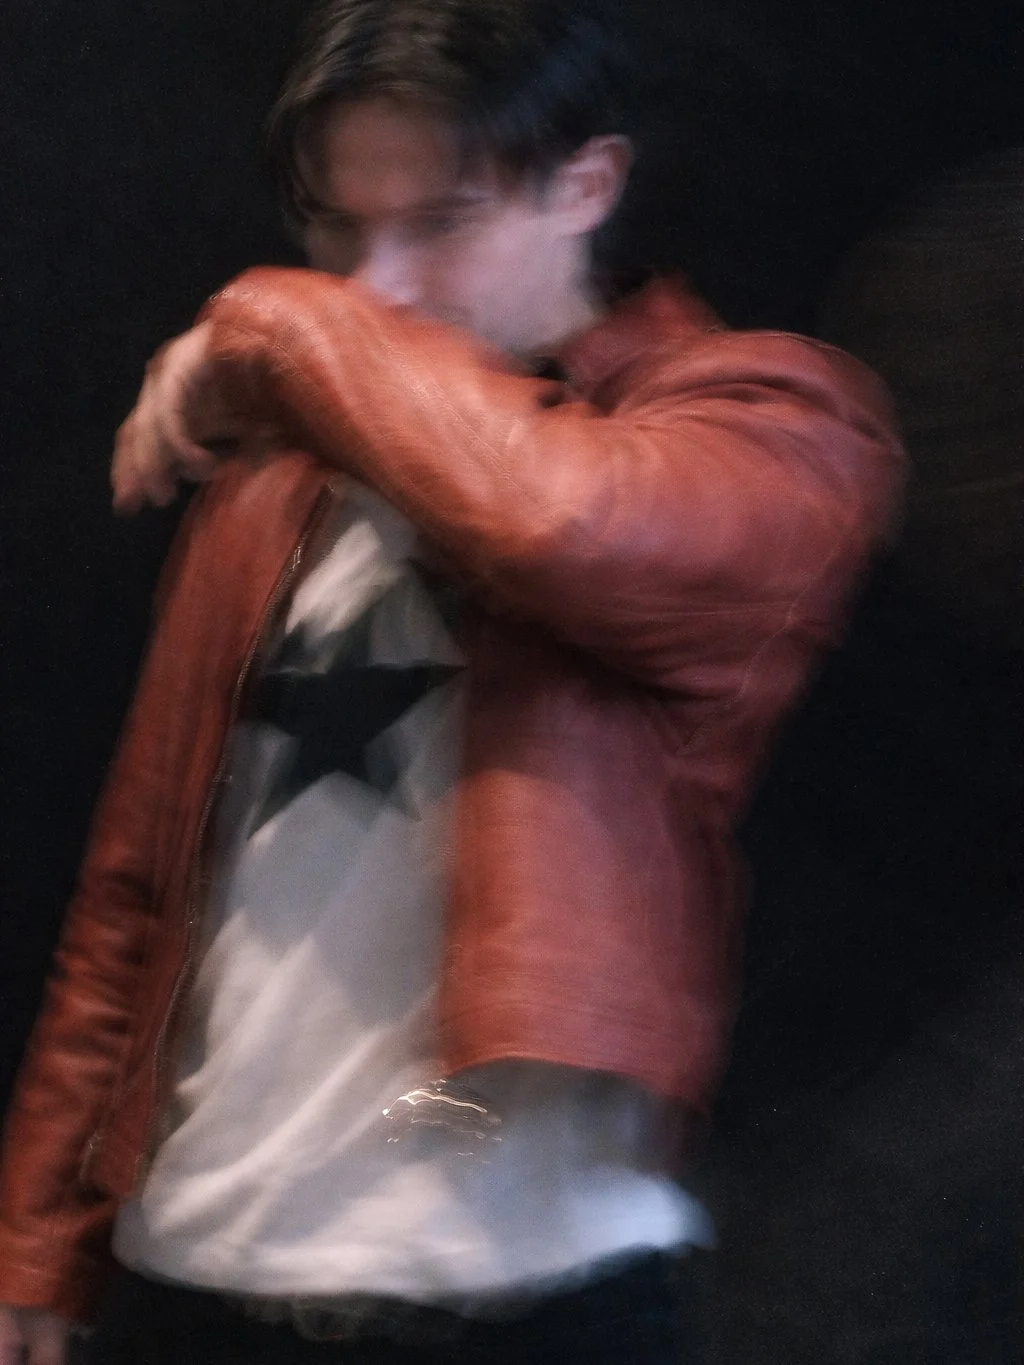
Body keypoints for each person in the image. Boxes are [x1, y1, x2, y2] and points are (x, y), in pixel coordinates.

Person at [0, 1, 903, 1361]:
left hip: (532, 1297)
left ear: (586, 185)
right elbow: (138, 890)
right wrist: (37, 1240)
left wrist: (266, 318)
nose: (376, 287)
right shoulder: (268, 491)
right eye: (332, 230)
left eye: (439, 223)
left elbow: (558, 522)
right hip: (199, 1275)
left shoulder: (766, 421)